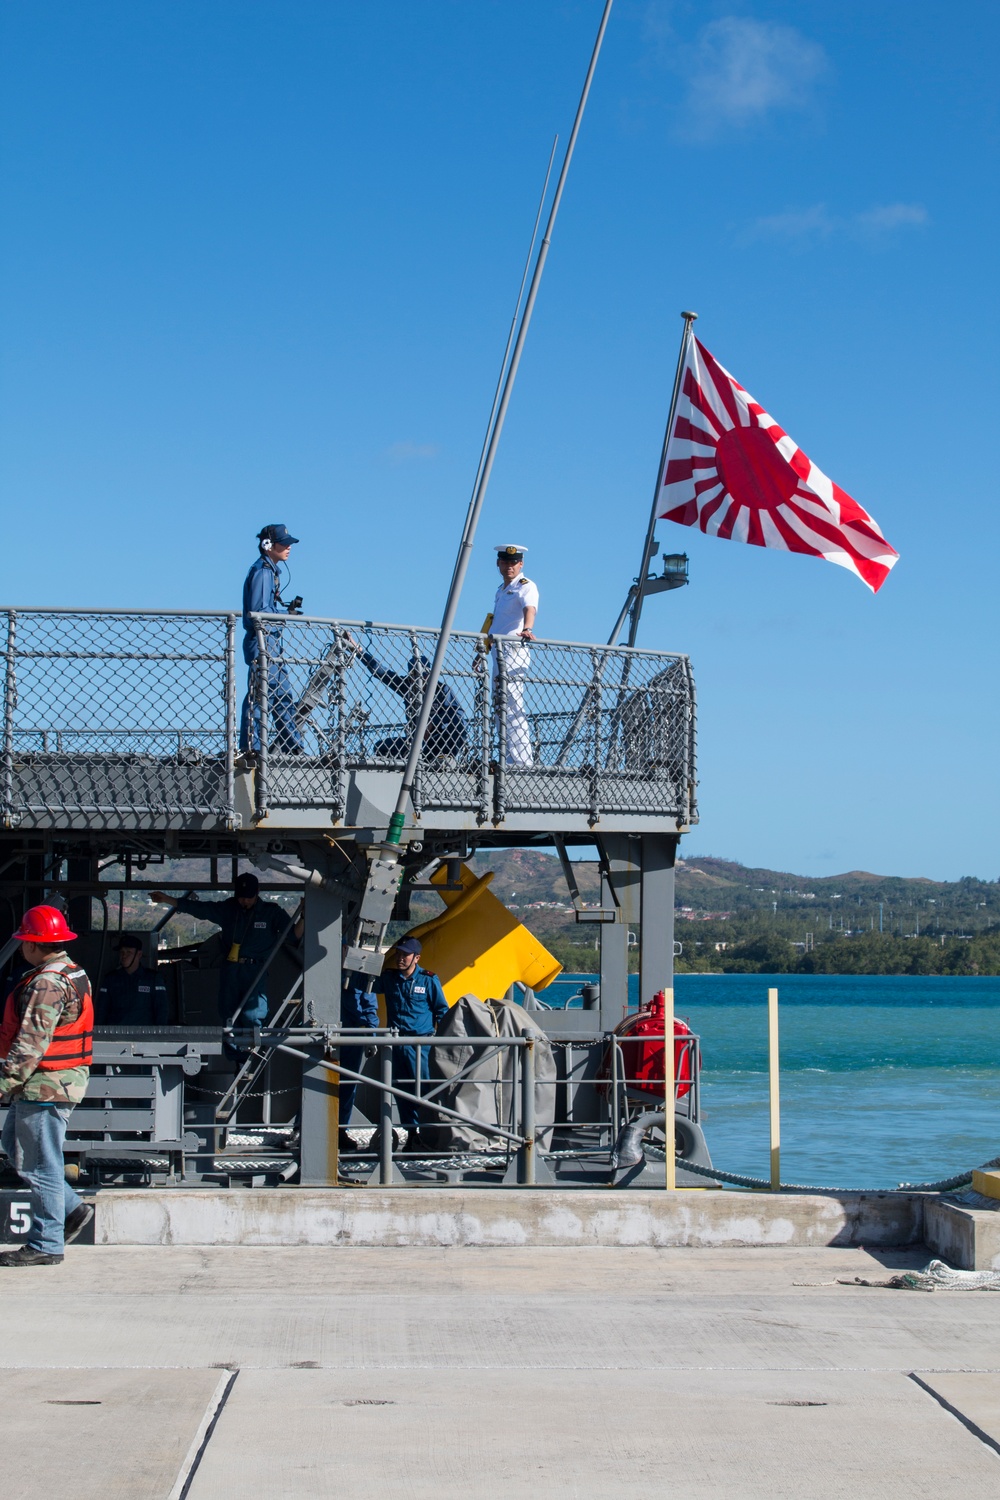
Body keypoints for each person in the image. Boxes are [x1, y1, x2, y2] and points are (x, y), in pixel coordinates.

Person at [0, 906, 95, 1267]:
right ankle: (71, 1209)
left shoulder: (46, 983)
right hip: (56, 1082)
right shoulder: (72, 971)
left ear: (35, 945)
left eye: (25, 941)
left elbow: (31, 1043)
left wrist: (4, 1083)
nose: (22, 948)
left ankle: (45, 1243)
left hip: (45, 1085)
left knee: (40, 1165)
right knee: (15, 1147)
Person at [149, 873, 303, 1032]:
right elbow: (201, 909)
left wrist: (303, 916)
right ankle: (236, 1055)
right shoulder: (229, 909)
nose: (245, 901)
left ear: (257, 892)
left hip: (255, 970)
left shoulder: (271, 913)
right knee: (228, 1016)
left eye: (248, 897)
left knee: (253, 1016)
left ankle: (254, 1051)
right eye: (241, 897)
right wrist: (168, 899)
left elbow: (294, 934)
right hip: (231, 969)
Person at [374, 935, 448, 1146]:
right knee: (401, 1091)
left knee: (425, 1090)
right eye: (398, 953)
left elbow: (441, 1010)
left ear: (417, 958)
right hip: (396, 1045)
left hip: (420, 1045)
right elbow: (367, 985)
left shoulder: (428, 979)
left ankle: (431, 1135)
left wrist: (442, 1044)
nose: (400, 958)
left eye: (405, 954)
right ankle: (412, 1134)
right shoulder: (389, 978)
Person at [240, 523, 305, 756]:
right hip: (263, 645)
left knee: (280, 694)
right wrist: (283, 615)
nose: (288, 548)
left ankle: (292, 746)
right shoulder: (263, 572)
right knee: (261, 696)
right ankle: (254, 748)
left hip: (270, 645)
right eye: (284, 543)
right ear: (268, 545)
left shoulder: (268, 571)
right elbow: (258, 612)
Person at [359, 646, 468, 763]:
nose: (420, 679)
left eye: (424, 674)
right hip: (416, 742)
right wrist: (358, 650)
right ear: (410, 674)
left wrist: (433, 723)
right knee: (381, 747)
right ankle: (409, 764)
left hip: (438, 739)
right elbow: (381, 672)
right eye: (415, 674)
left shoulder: (441, 689)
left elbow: (458, 713)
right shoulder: (407, 686)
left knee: (459, 725)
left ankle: (441, 758)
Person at [488, 544, 538, 767]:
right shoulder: (501, 590)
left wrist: (527, 628)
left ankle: (521, 761)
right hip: (498, 651)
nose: (509, 566)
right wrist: (483, 648)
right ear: (498, 564)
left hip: (513, 650)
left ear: (521, 564)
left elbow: (530, 608)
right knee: (500, 703)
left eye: (513, 563)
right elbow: (495, 622)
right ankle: (508, 756)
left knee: (513, 702)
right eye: (505, 562)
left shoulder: (525, 586)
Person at [339, 962, 380, 1148]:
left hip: (351, 1036)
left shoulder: (361, 972)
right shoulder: (322, 966)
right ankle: (301, 1128)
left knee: (347, 1085)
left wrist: (371, 1036)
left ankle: (340, 1130)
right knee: (314, 1083)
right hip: (324, 1036)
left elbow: (369, 1004)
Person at [96, 935, 169, 1026]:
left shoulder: (153, 979)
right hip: (116, 1036)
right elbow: (101, 1011)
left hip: (144, 1037)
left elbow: (162, 1011)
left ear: (139, 954)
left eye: (128, 952)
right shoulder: (111, 979)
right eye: (122, 952)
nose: (124, 956)